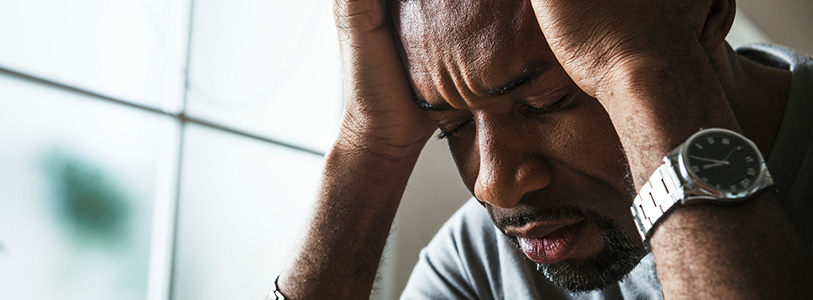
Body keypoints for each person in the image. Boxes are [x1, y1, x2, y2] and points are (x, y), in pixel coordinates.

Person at [276, 0, 813, 298]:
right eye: (453, 128)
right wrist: (367, 150)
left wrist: (644, 68)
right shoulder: (479, 265)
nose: (495, 184)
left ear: (705, 14)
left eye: (548, 102)